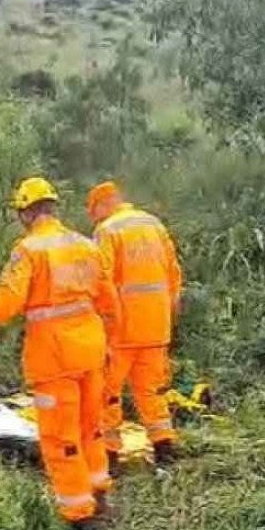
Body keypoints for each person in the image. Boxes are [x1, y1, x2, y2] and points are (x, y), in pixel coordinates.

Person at [0, 177, 120, 530]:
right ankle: (99, 492)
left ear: (26, 213)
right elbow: (109, 302)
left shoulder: (29, 250)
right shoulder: (86, 245)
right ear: (53, 207)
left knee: (60, 436)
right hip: (91, 350)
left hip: (54, 358)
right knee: (91, 427)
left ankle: (79, 516)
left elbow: (4, 304)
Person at [86, 181, 183, 471]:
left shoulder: (107, 231)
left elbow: (101, 281)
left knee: (108, 392)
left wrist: (98, 323)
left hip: (122, 329)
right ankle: (165, 448)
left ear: (102, 205)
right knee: (151, 390)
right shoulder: (154, 224)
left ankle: (110, 454)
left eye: (94, 212)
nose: (95, 218)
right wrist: (170, 316)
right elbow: (175, 276)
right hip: (156, 326)